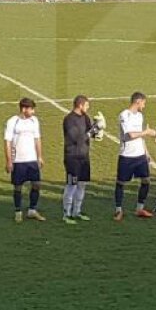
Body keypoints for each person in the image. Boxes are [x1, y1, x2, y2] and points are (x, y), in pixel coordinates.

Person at [114, 92, 156, 220]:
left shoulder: (140, 116)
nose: (144, 105)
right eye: (143, 103)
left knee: (146, 180)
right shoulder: (124, 115)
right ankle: (118, 210)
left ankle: (140, 208)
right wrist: (147, 132)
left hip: (140, 156)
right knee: (121, 182)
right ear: (138, 102)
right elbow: (131, 135)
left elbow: (140, 137)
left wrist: (146, 152)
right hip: (127, 156)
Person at [4, 98, 45, 222]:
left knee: (36, 184)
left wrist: (39, 156)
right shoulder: (12, 121)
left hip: (32, 159)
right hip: (18, 160)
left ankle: (32, 210)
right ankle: (18, 211)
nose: (33, 112)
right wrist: (9, 160)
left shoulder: (34, 120)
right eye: (31, 109)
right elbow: (7, 142)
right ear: (24, 109)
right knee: (18, 187)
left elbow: (37, 139)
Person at [62, 95, 99, 224]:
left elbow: (92, 134)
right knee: (72, 184)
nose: (88, 108)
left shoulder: (85, 117)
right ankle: (66, 214)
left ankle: (77, 211)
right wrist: (91, 132)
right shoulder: (69, 120)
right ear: (80, 105)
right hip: (72, 158)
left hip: (84, 157)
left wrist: (98, 128)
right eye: (87, 105)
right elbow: (76, 138)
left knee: (82, 184)